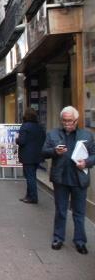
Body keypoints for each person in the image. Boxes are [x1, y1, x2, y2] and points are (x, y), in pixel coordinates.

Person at [42, 106, 94, 254]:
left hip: (79, 180)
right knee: (61, 210)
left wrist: (87, 162)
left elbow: (93, 155)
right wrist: (54, 151)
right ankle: (58, 238)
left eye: (70, 121)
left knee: (79, 212)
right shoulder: (53, 134)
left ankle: (80, 241)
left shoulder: (87, 135)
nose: (67, 124)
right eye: (64, 121)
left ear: (76, 120)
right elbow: (43, 152)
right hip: (61, 179)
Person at [16, 108, 46, 204]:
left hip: (27, 156)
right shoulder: (39, 127)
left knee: (30, 177)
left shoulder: (25, 126)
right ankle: (29, 195)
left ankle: (32, 197)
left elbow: (22, 141)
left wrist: (17, 139)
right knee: (32, 175)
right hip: (37, 155)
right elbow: (43, 139)